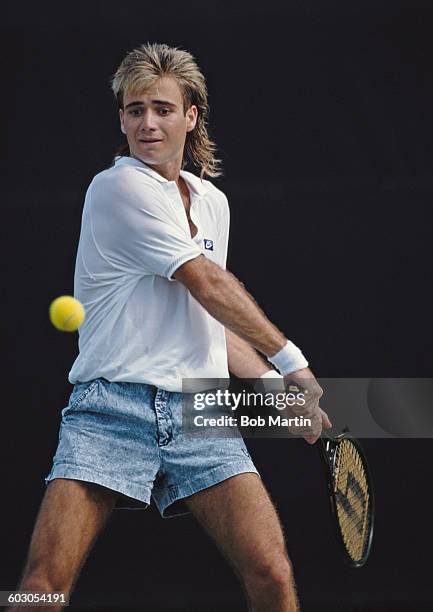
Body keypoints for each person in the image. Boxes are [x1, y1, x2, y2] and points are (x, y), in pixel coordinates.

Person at [8, 42, 331, 612]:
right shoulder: (117, 187)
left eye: (161, 108)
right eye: (135, 110)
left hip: (197, 412)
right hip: (111, 406)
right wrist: (293, 364)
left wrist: (277, 396)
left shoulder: (214, 203)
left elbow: (209, 316)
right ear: (122, 119)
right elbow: (206, 281)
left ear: (191, 116)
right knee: (40, 586)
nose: (147, 123)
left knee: (273, 575)